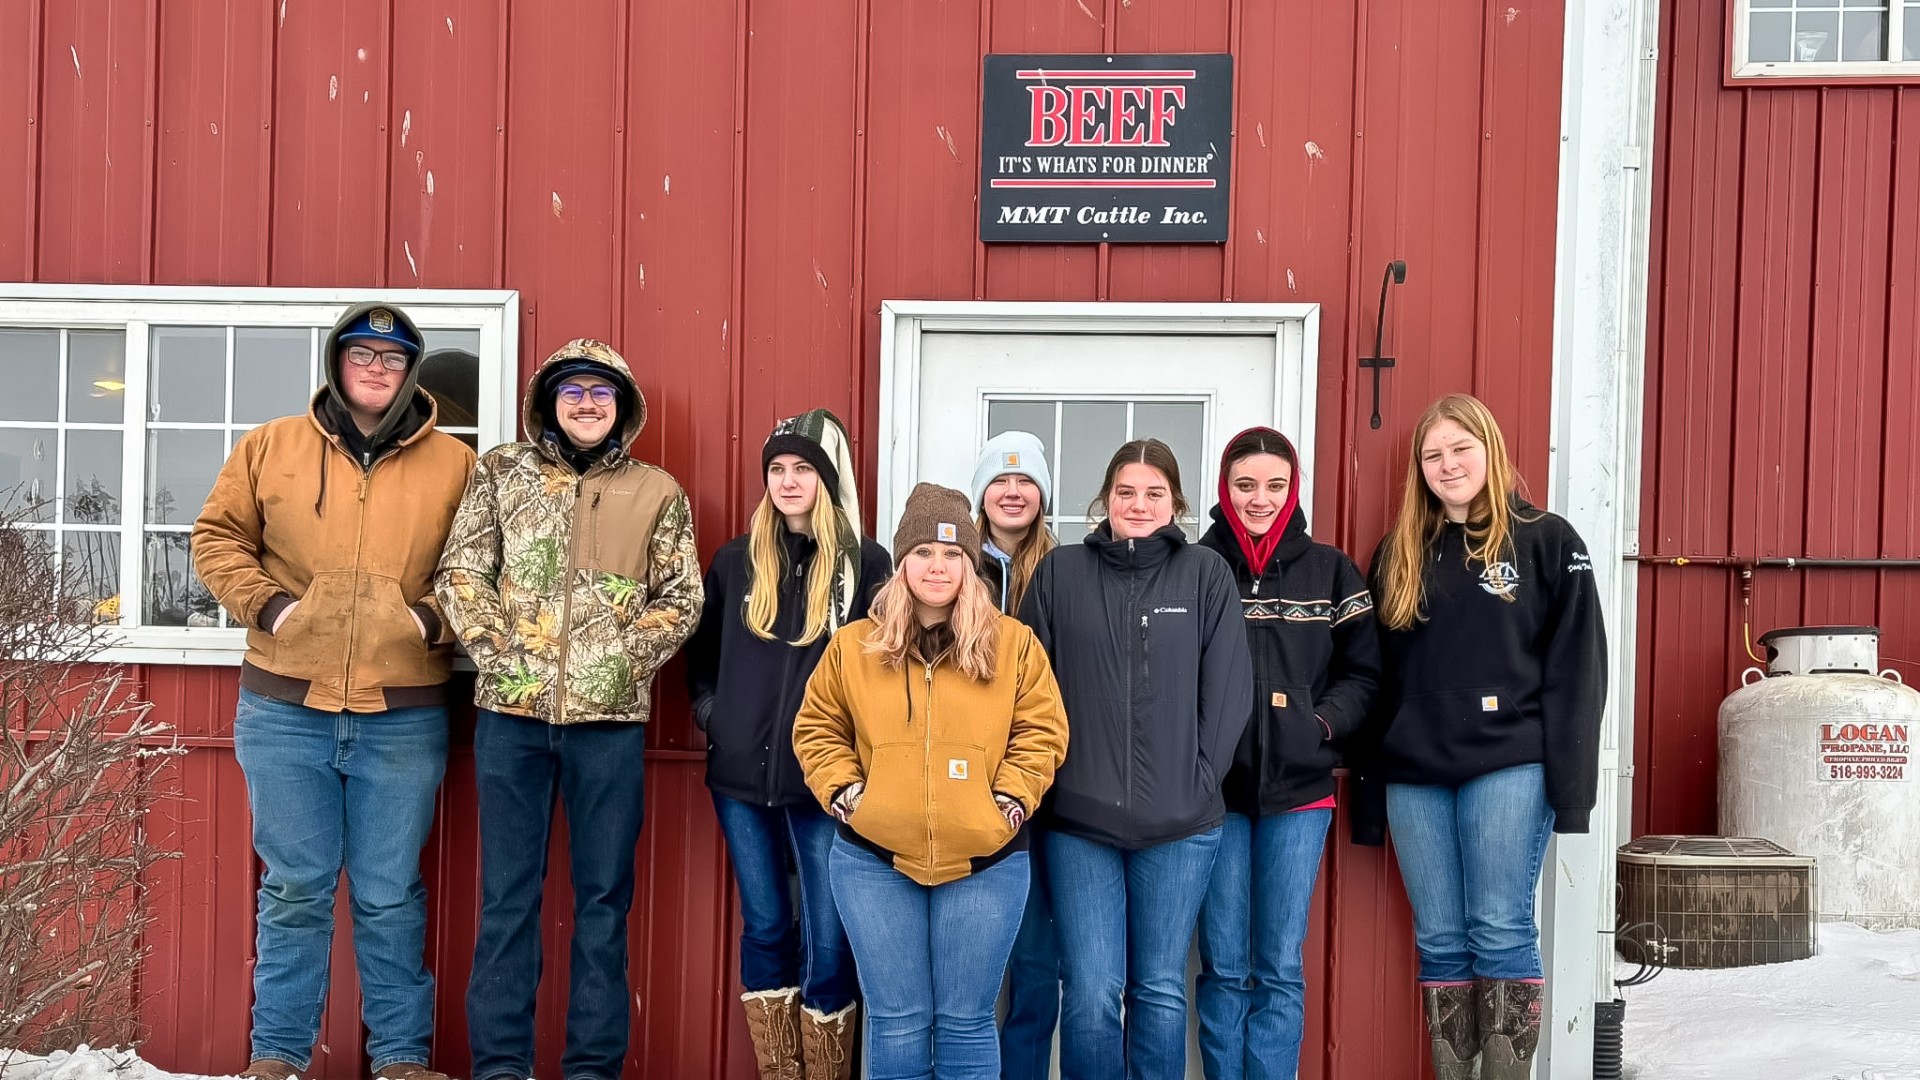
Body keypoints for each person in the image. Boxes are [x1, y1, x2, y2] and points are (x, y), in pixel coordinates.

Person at [192, 303, 474, 1080]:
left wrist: (426, 621)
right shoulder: (272, 446)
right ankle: (277, 1057)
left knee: (388, 893)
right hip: (285, 708)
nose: (377, 368)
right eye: (362, 353)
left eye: (393, 357)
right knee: (295, 889)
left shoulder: (456, 466)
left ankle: (401, 1059)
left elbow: (481, 570)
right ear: (336, 362)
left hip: (403, 712)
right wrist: (272, 607)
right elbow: (216, 537)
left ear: (411, 369)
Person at [435, 339, 703, 1080]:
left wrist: (617, 661)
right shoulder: (500, 474)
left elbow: (681, 599)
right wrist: (499, 655)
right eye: (573, 392)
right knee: (507, 901)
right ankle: (500, 1066)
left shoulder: (656, 491)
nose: (587, 404)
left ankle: (591, 1068)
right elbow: (461, 574)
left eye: (602, 394)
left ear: (623, 409)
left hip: (608, 728)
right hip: (511, 723)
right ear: (548, 403)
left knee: (603, 906)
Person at [1365, 393, 1606, 1080]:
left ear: (1490, 450)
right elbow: (1377, 678)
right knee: (1440, 940)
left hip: (1509, 764)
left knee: (1498, 929)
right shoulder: (1400, 552)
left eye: (1459, 448)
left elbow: (1578, 669)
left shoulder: (1548, 541)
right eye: (1433, 455)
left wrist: (1573, 793)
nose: (1447, 465)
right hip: (1415, 774)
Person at [792, 482, 1069, 1080]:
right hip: (873, 860)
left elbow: (1042, 731)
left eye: (953, 554)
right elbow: (817, 728)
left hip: (987, 860)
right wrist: (847, 794)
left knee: (966, 1022)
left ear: (971, 564)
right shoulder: (854, 646)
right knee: (897, 1021)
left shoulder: (1013, 645)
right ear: (901, 563)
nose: (937, 567)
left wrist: (1010, 801)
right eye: (923, 553)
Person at [1018, 439, 1254, 1080]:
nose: (1139, 504)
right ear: (1105, 499)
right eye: (1126, 492)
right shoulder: (1060, 573)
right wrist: (1051, 785)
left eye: (1155, 493)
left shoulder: (1205, 574)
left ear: (1175, 503)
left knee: (1158, 989)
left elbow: (1230, 692)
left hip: (1181, 827)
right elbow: (1028, 687)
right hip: (1079, 823)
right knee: (1092, 991)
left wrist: (1198, 783)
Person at [684, 408, 892, 1080]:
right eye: (777, 469)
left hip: (825, 787)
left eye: (803, 468)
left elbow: (882, 668)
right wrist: (720, 717)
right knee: (768, 926)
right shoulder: (736, 562)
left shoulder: (867, 564)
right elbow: (702, 661)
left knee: (829, 942)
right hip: (741, 779)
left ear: (828, 479)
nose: (788, 480)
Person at [1192, 427, 1381, 1080]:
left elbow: (1365, 674)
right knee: (1223, 962)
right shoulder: (1197, 567)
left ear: (1293, 488)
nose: (1260, 498)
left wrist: (1320, 725)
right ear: (1225, 489)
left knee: (1277, 962)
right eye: (1246, 485)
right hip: (1212, 799)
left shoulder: (1331, 570)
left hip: (1300, 796)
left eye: (1275, 485)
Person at [969, 431, 1062, 1080]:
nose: (1012, 491)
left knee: (1036, 961)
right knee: (968, 963)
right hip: (963, 788)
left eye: (1026, 481)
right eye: (999, 481)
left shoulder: (1067, 571)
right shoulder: (950, 565)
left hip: (1047, 794)